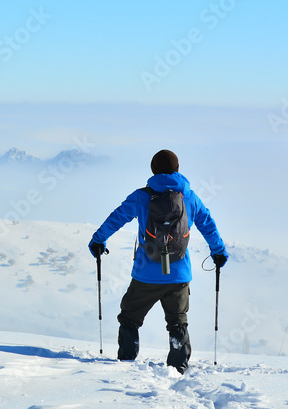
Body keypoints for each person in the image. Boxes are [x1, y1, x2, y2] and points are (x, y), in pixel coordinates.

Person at [88, 149, 227, 373]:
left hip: (146, 274)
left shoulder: (142, 196)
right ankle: (178, 367)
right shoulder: (189, 197)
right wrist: (218, 251)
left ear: (153, 170)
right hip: (179, 274)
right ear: (177, 169)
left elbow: (117, 218)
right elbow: (207, 223)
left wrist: (98, 240)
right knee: (177, 320)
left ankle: (126, 363)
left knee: (130, 316)